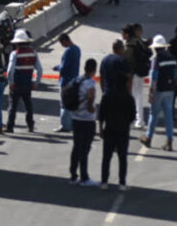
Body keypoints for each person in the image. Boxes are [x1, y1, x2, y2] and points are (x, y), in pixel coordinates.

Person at [98, 62, 136, 191]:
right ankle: (122, 183)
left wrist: (100, 129)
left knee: (106, 157)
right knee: (122, 158)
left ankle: (104, 182)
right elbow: (132, 116)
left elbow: (101, 114)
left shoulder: (107, 96)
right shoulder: (129, 98)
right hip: (123, 130)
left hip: (109, 129)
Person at [139, 35, 177, 151]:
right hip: (170, 89)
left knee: (153, 114)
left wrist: (151, 92)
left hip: (159, 90)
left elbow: (154, 77)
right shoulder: (172, 57)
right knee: (168, 115)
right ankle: (169, 140)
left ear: (155, 48)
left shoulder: (156, 59)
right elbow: (175, 74)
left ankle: (148, 138)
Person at [68, 59, 99, 187]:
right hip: (87, 119)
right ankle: (84, 177)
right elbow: (90, 100)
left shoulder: (77, 80)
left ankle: (73, 175)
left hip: (76, 117)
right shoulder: (90, 83)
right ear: (94, 70)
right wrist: (92, 108)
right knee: (85, 148)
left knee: (76, 146)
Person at [6, 29, 42, 133]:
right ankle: (30, 125)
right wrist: (36, 82)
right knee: (28, 105)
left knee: (12, 106)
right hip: (27, 84)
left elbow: (9, 71)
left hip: (16, 83)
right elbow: (39, 69)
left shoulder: (15, 53)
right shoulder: (33, 53)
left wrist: (10, 82)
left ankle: (10, 126)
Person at [123, 23, 152, 129]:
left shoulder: (132, 44)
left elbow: (129, 60)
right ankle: (139, 120)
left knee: (135, 97)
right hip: (140, 72)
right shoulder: (139, 41)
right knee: (138, 96)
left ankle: (138, 120)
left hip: (134, 74)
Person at [53, 32, 81, 132]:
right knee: (73, 104)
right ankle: (73, 125)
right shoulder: (77, 49)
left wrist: (57, 67)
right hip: (74, 80)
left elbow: (64, 67)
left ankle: (65, 126)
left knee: (64, 105)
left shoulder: (68, 51)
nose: (62, 46)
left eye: (62, 43)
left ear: (65, 41)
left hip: (65, 81)